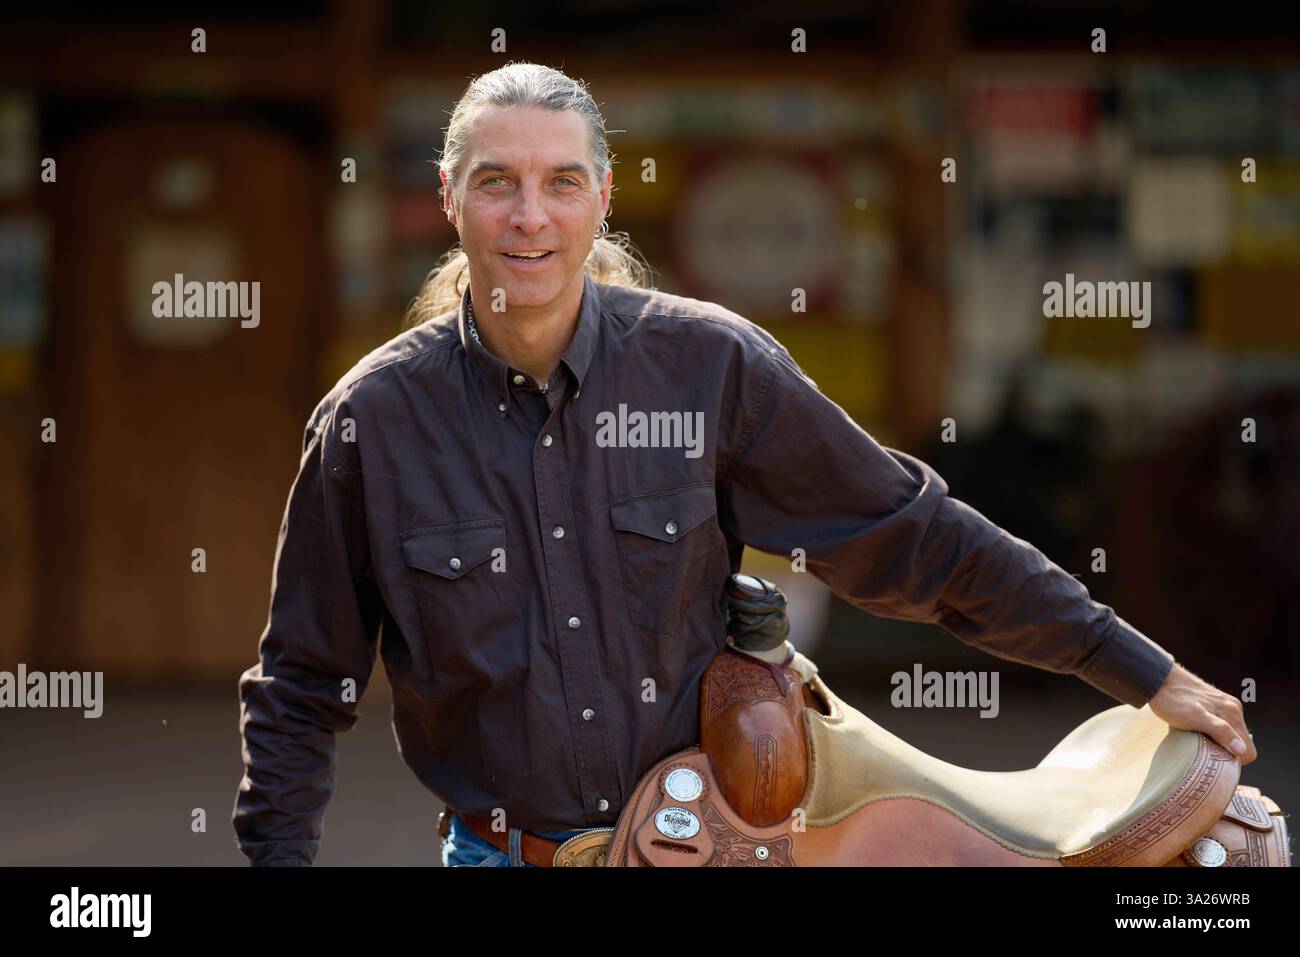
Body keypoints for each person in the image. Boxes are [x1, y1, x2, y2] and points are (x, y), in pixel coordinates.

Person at [232, 62, 1256, 868]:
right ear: (451, 194)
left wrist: (1134, 668)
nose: (528, 216)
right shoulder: (373, 420)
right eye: (496, 183)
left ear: (602, 199)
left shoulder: (709, 369)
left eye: (560, 182)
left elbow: (912, 537)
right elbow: (298, 687)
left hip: (711, 851)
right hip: (497, 857)